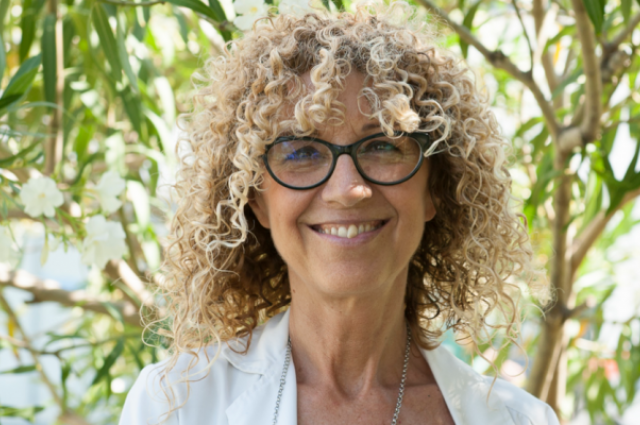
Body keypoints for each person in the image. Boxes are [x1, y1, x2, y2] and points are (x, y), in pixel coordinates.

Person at [120, 2, 560, 424]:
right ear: (255, 198)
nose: (348, 189)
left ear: (436, 188)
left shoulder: (519, 420)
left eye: (383, 144)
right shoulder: (172, 408)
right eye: (301, 151)